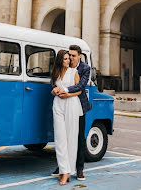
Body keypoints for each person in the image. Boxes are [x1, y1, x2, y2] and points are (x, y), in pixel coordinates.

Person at [52, 45, 91, 181]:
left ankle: (79, 169)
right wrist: (56, 89)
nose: (71, 58)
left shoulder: (85, 68)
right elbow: (54, 81)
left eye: (74, 56)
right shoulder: (62, 68)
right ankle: (63, 167)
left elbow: (81, 86)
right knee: (63, 136)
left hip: (79, 105)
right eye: (69, 56)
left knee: (79, 138)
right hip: (63, 105)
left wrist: (65, 90)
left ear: (80, 56)